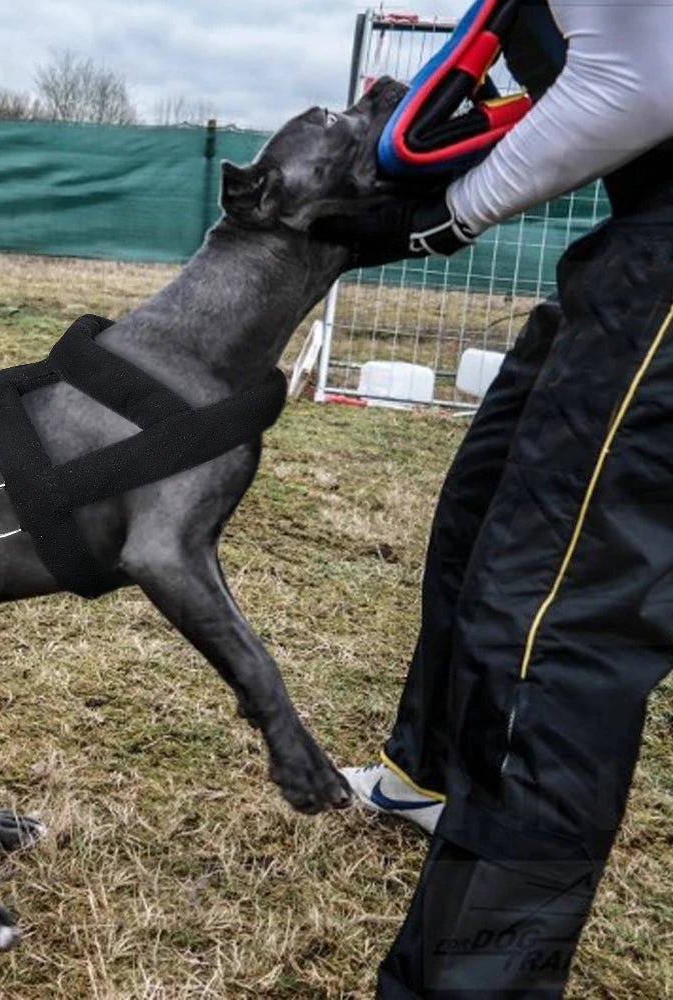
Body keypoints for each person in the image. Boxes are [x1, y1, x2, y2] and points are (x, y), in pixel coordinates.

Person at [315, 1, 673, 995]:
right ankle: (424, 779)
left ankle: (481, 982)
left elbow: (642, 82)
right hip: (643, 228)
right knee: (480, 516)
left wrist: (442, 216)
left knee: (555, 631)